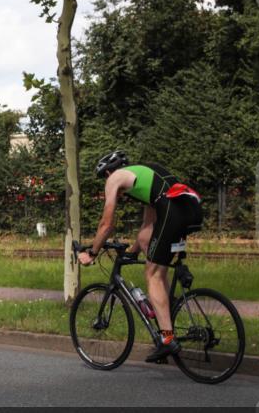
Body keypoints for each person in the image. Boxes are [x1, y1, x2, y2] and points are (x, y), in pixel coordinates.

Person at [78, 151, 203, 362]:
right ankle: (168, 304)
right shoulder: (145, 176)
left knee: (152, 275)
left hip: (173, 213)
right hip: (190, 211)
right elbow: (147, 228)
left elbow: (107, 224)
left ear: (108, 172)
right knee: (148, 245)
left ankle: (167, 339)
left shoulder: (114, 178)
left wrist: (92, 252)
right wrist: (133, 251)